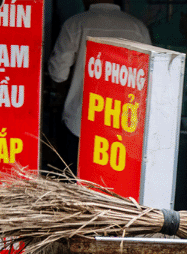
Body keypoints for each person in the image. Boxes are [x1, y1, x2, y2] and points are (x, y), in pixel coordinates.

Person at [48, 0, 151, 173]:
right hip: (124, 124)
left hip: (79, 123)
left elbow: (58, 73)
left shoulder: (75, 24)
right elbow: (148, 76)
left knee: (77, 182)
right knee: (114, 187)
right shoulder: (137, 28)